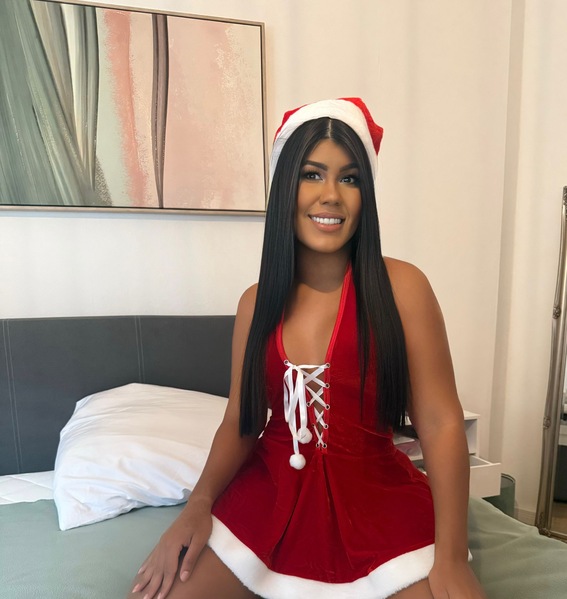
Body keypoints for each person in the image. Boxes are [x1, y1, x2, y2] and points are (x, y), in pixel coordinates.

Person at [128, 98, 487, 599]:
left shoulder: (404, 287)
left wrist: (450, 557)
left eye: (350, 178)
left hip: (377, 501)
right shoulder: (255, 303)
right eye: (312, 174)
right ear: (285, 188)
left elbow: (441, 422)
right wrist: (198, 505)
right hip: (269, 495)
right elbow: (241, 420)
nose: (331, 195)